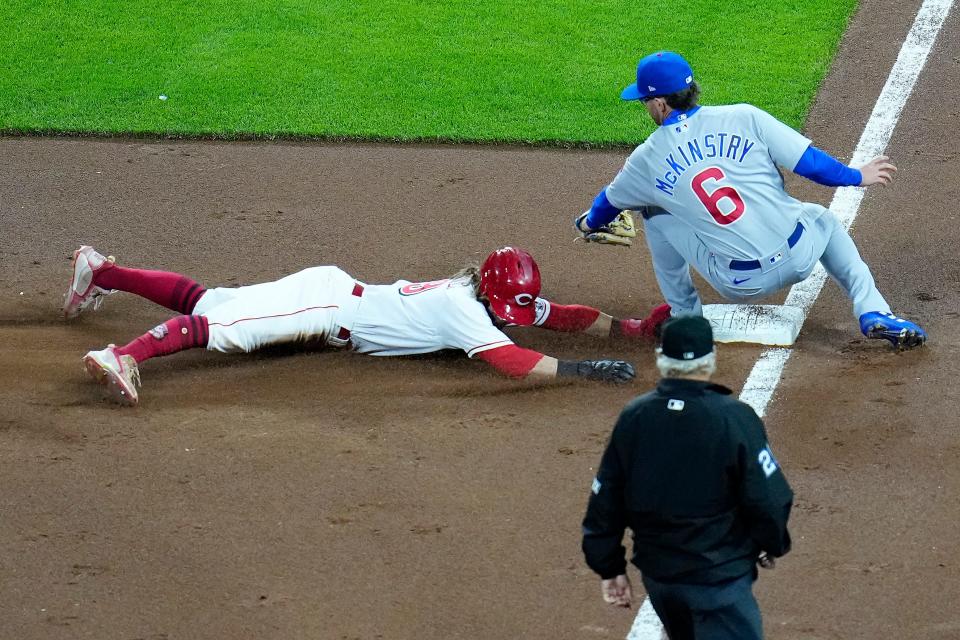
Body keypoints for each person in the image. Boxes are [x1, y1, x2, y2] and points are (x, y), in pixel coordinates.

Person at [574, 50, 926, 349]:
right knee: (824, 220)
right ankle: (872, 310)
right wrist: (857, 176)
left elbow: (607, 204)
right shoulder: (745, 116)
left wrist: (588, 224)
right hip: (802, 254)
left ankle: (686, 320)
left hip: (741, 283)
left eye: (645, 101)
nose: (646, 107)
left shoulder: (645, 159)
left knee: (651, 211)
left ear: (661, 103)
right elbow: (813, 166)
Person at [64, 245, 670, 406]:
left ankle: (103, 272)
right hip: (326, 307)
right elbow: (508, 361)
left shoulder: (488, 293)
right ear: (491, 291)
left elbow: (562, 315)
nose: (516, 318)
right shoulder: (465, 310)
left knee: (209, 300)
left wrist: (634, 331)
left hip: (329, 295)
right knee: (224, 328)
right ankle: (125, 356)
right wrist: (580, 371)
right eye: (511, 309)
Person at [581, 315, 793, 640]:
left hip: (661, 581)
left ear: (661, 359)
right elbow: (768, 497)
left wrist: (609, 567)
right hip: (718, 582)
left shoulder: (634, 417)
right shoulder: (734, 418)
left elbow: (606, 497)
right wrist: (771, 543)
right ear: (710, 360)